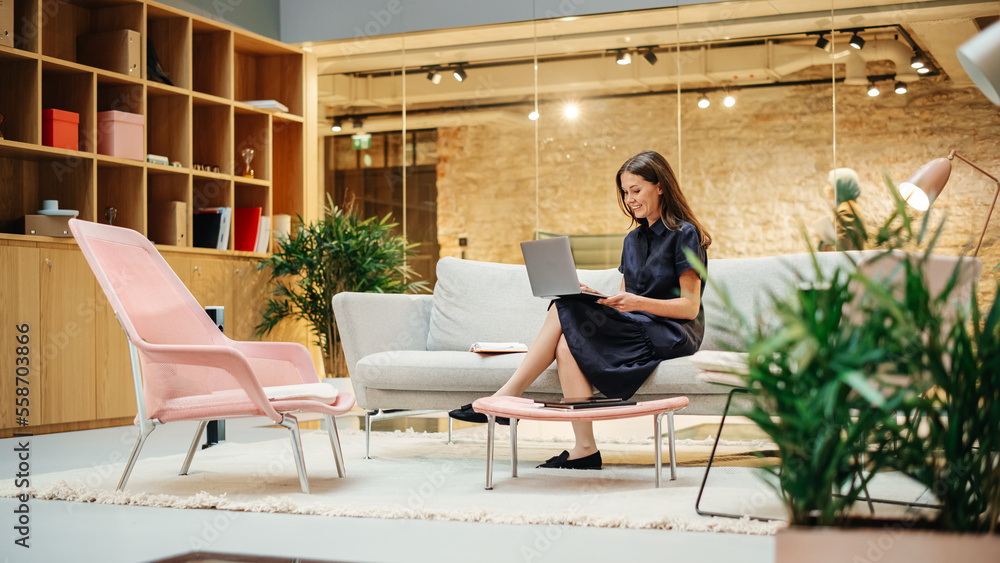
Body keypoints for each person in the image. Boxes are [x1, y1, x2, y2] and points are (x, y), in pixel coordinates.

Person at [449, 150, 712, 470]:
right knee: (567, 335)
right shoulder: (632, 240)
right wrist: (599, 298)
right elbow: (627, 298)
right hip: (638, 323)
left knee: (563, 307)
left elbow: (689, 307)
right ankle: (585, 449)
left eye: (636, 190)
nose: (630, 199)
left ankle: (508, 396)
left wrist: (633, 303)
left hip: (673, 331)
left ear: (660, 187)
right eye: (625, 192)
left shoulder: (684, 234)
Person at [812, 168, 867, 251]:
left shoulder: (844, 210)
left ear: (840, 185)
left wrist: (821, 244)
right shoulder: (852, 206)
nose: (827, 188)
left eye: (830, 184)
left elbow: (842, 250)